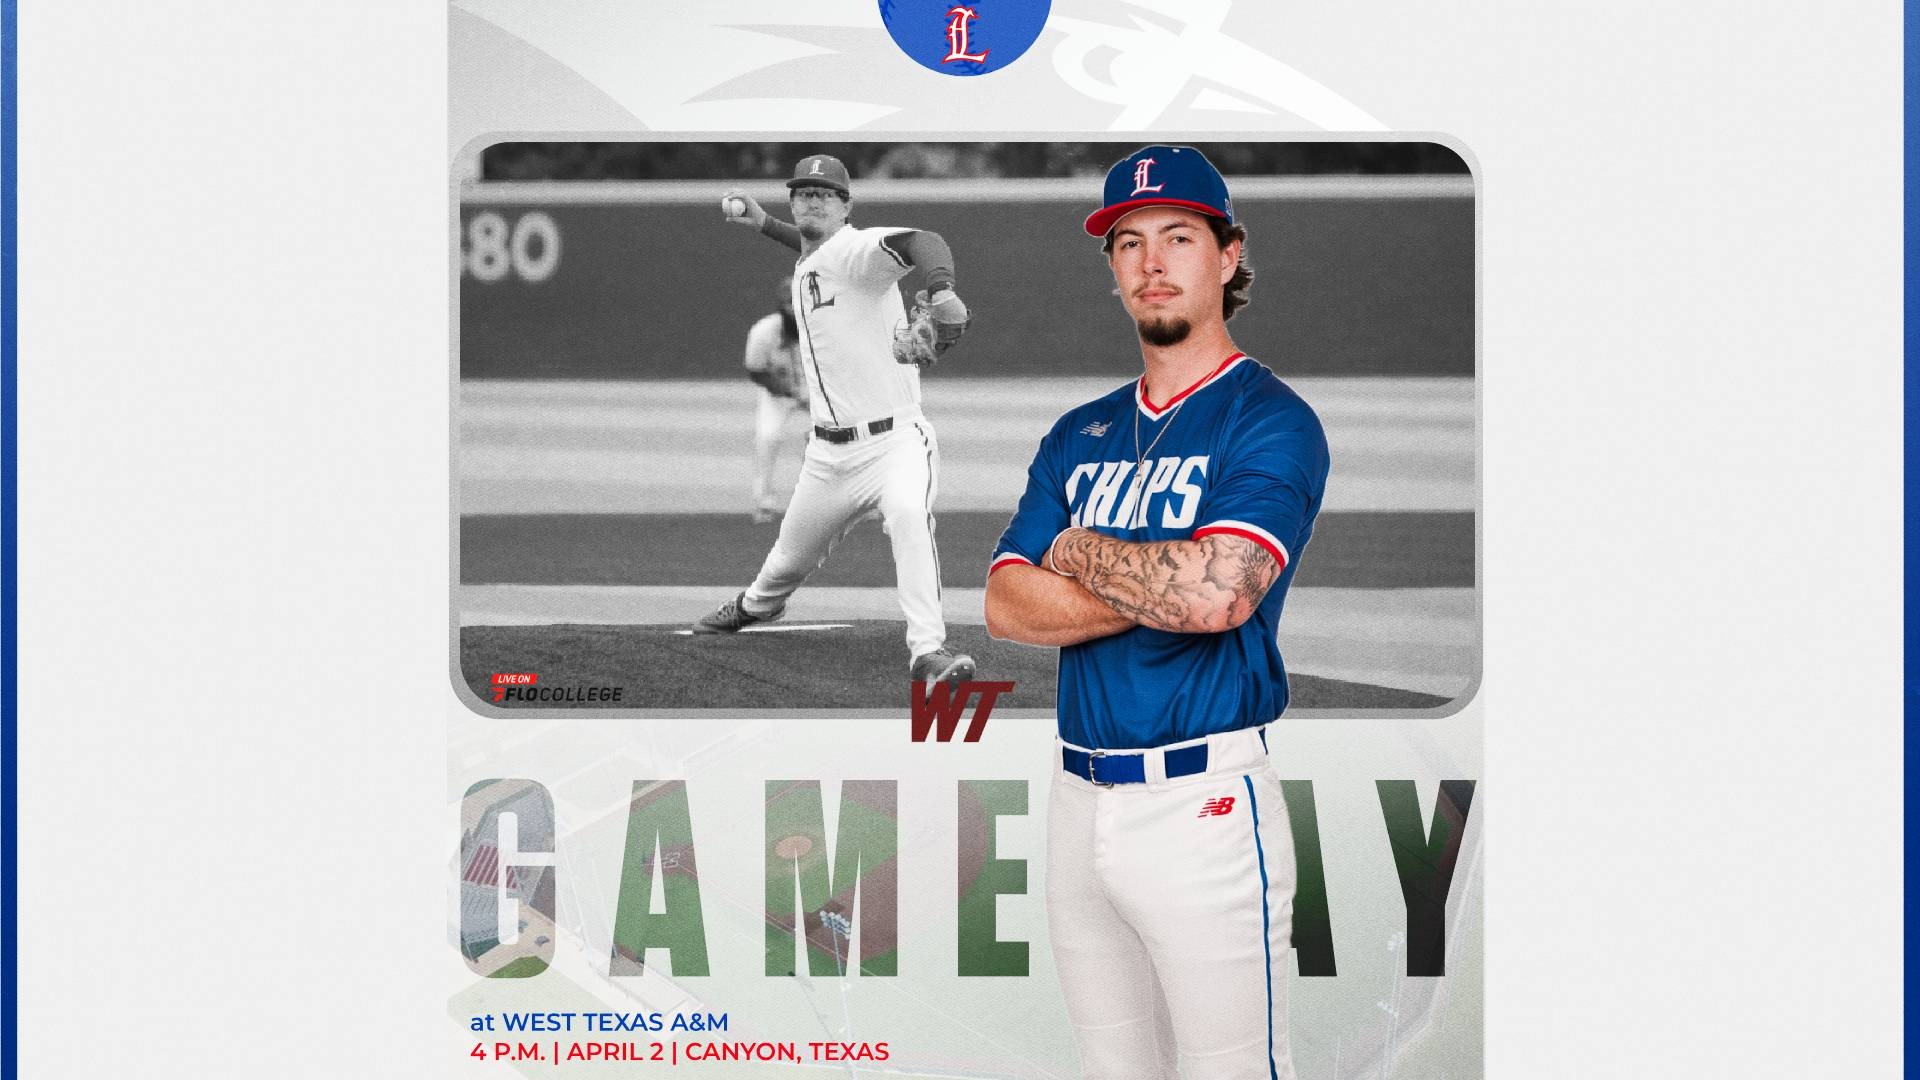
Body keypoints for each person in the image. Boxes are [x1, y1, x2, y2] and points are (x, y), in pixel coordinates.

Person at [984, 145, 1329, 1080]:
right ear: (1111, 270)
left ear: (1227, 255)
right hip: (1075, 800)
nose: (1151, 261)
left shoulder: (1269, 419)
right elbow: (1005, 606)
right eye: (1128, 242)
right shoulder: (1078, 430)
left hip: (1203, 805)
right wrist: (1157, 581)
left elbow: (1218, 594)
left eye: (1179, 236)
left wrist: (1076, 547)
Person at [691, 154, 979, 686]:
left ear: (847, 206)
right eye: (803, 193)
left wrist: (940, 287)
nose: (813, 200)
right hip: (828, 457)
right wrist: (764, 224)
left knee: (909, 517)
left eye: (825, 194)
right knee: (784, 564)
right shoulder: (813, 260)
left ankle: (928, 652)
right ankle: (756, 606)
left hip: (894, 443)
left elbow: (923, 239)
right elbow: (812, 248)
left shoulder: (858, 250)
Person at [742, 275, 810, 524]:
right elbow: (756, 369)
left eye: (799, 302)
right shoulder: (764, 331)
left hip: (818, 394)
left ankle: (819, 501)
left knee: (829, 440)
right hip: (778, 395)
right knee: (768, 436)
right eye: (790, 303)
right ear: (782, 305)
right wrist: (785, 389)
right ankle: (763, 502)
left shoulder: (826, 327)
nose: (795, 308)